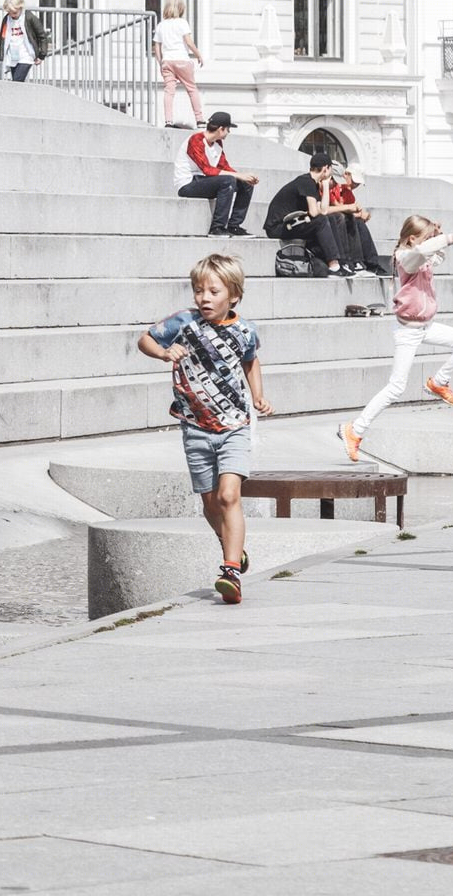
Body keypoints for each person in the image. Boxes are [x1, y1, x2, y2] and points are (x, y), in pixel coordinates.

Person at [136, 253, 268, 605]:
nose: (204, 298)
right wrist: (163, 354)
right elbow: (145, 340)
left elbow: (251, 360)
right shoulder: (183, 323)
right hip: (194, 426)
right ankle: (234, 550)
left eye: (213, 291)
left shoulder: (244, 330)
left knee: (228, 496)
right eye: (199, 290)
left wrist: (258, 396)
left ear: (234, 295)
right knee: (210, 503)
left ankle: (230, 572)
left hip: (234, 426)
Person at [341, 217, 453, 460]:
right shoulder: (405, 258)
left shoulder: (421, 255)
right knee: (396, 387)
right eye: (424, 239)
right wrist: (448, 239)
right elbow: (424, 252)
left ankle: (439, 382)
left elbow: (434, 255)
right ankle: (355, 430)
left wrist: (437, 237)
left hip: (427, 325)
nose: (429, 243)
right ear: (412, 239)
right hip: (408, 330)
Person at [265, 153, 356, 274]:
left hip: (292, 223)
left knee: (332, 218)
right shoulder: (306, 181)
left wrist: (324, 185)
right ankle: (333, 264)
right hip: (278, 227)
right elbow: (315, 212)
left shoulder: (312, 183)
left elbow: (323, 210)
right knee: (321, 221)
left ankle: (342, 262)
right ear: (326, 168)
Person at [181, 113, 259, 237]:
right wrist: (237, 176)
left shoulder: (217, 143)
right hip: (189, 184)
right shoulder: (196, 140)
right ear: (221, 129)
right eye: (228, 129)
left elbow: (223, 166)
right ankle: (217, 228)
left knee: (245, 183)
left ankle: (234, 226)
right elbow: (206, 169)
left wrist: (244, 176)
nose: (229, 132)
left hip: (206, 182)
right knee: (228, 180)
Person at [154, 0, 204, 129]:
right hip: (182, 59)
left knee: (169, 91)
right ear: (181, 8)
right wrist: (198, 54)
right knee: (192, 89)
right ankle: (199, 119)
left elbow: (157, 46)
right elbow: (188, 42)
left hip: (167, 61)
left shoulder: (161, 25)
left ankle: (168, 121)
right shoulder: (182, 23)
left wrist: (161, 62)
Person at [0, 0, 49, 82]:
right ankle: (20, 95)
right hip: (13, 55)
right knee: (17, 83)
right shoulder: (6, 19)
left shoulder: (29, 17)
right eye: (10, 13)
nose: (12, 15)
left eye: (15, 13)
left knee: (17, 81)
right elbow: (2, 39)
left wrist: (42, 55)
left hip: (26, 54)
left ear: (21, 8)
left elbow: (42, 36)